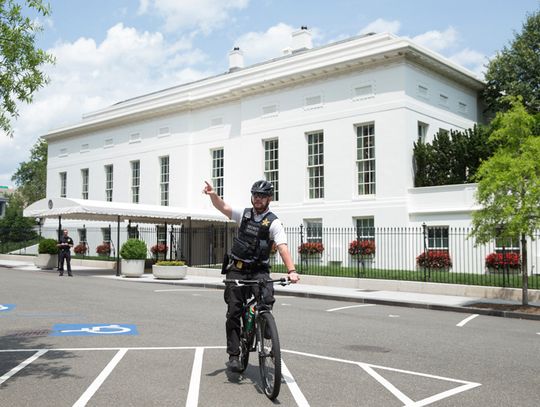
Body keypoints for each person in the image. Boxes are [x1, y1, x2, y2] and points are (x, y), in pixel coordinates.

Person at [203, 179, 299, 372]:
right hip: (237, 268)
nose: (258, 199)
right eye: (255, 195)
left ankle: (264, 324)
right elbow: (223, 207)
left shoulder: (274, 222)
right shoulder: (244, 214)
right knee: (234, 311)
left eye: (262, 196)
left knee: (267, 296)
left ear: (269, 199)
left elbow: (282, 248)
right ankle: (234, 354)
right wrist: (213, 195)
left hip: (259, 269)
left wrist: (292, 271)